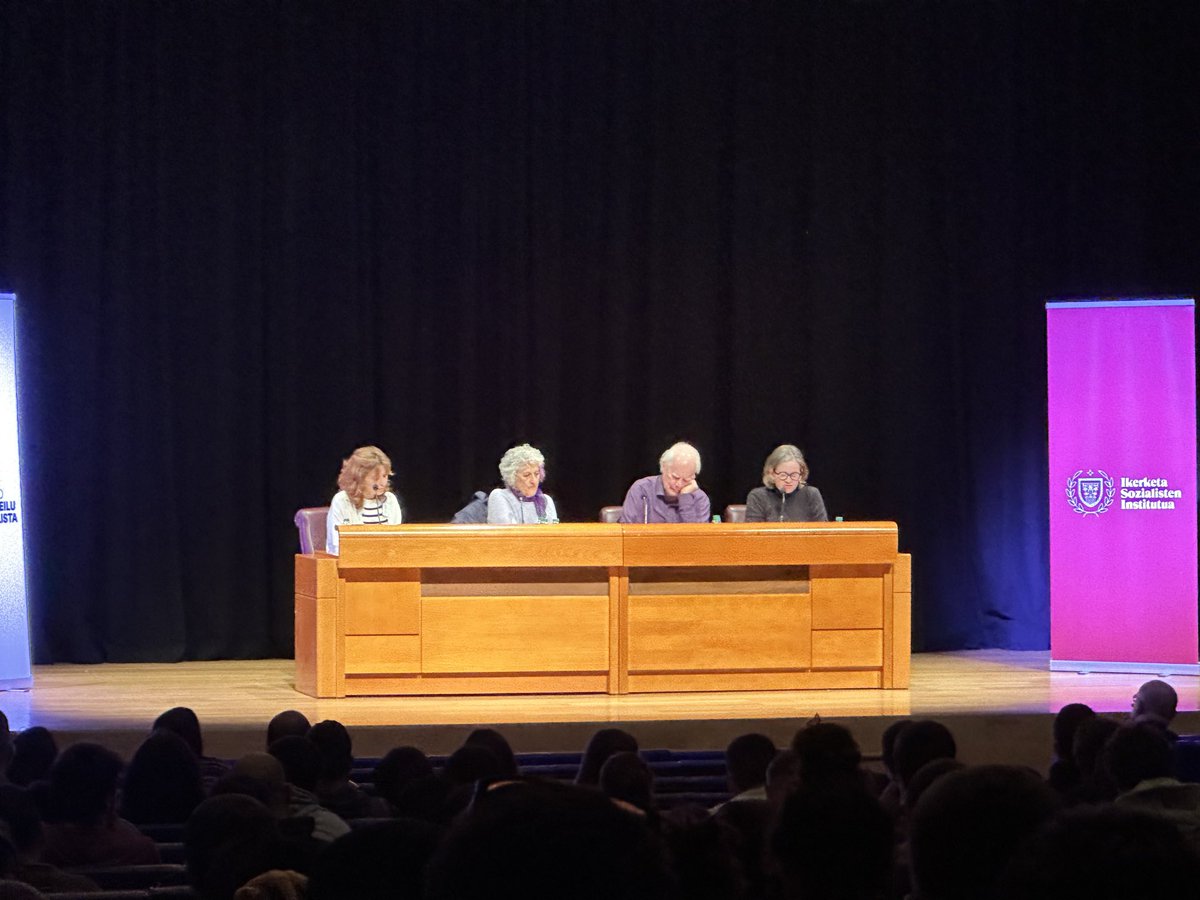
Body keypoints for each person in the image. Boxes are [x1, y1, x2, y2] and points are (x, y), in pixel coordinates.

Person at [326, 446, 402, 555]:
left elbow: (397, 542)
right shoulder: (341, 500)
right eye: (375, 478)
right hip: (349, 564)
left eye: (384, 476)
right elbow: (336, 545)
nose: (381, 483)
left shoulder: (390, 500)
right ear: (359, 478)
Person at [619, 442, 710, 523]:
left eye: (686, 480)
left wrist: (685, 498)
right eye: (675, 477)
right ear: (663, 467)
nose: (678, 484)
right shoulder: (641, 490)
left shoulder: (700, 499)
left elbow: (698, 538)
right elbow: (627, 533)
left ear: (693, 477)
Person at [744, 444, 828, 522]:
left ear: (801, 474)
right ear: (772, 473)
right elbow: (753, 535)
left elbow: (823, 532)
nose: (788, 480)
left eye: (794, 475)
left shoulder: (811, 494)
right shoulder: (758, 497)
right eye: (783, 475)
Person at [487, 444, 558, 524]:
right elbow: (507, 534)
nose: (533, 481)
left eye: (536, 474)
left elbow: (554, 534)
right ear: (512, 477)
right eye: (526, 475)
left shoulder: (546, 501)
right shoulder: (500, 496)